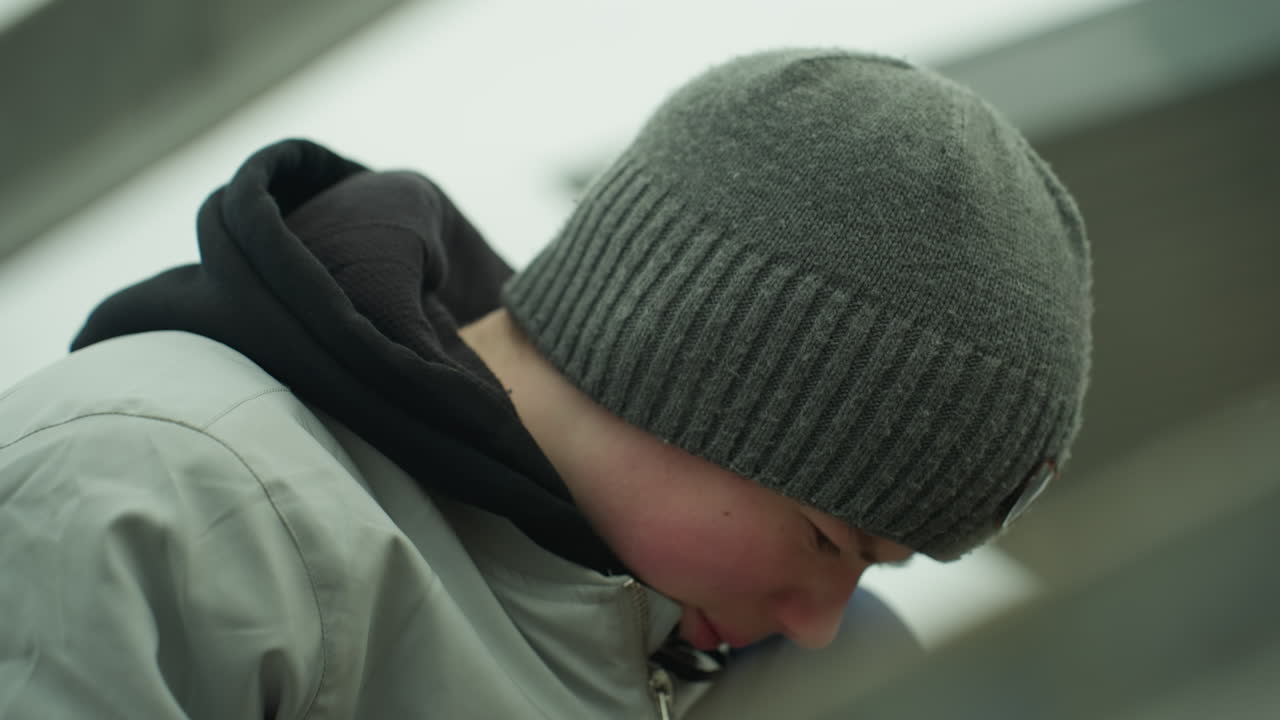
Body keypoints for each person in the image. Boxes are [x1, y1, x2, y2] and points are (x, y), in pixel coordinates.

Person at [0, 48, 1091, 718]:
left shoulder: (827, 677)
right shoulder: (159, 500)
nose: (819, 622)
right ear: (678, 358)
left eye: (876, 567)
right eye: (824, 538)